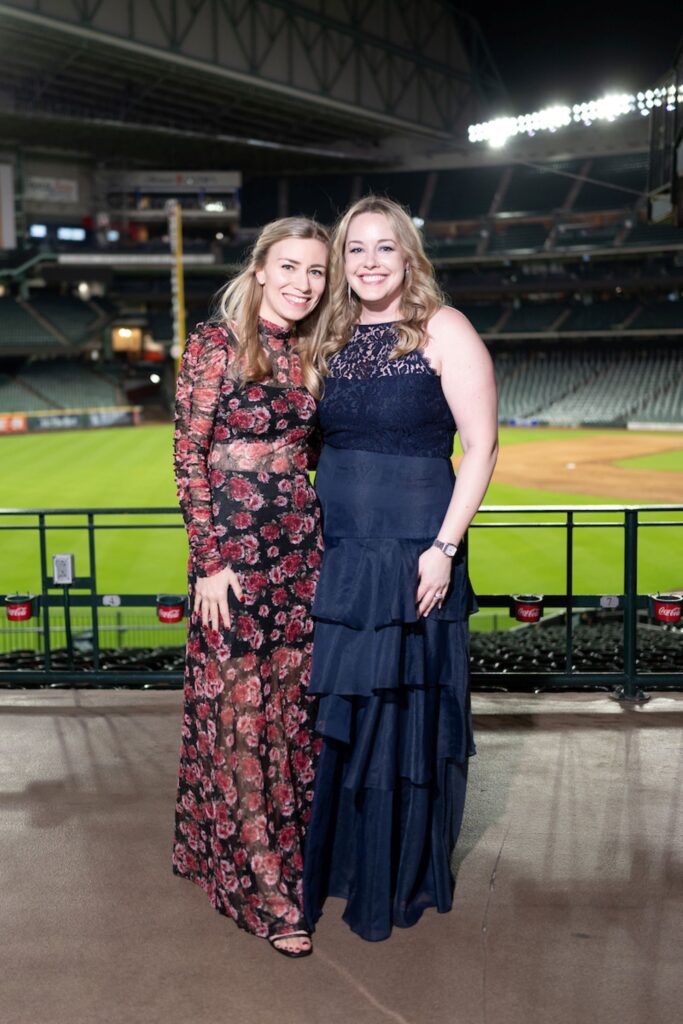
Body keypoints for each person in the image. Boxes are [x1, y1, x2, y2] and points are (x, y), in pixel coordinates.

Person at [302, 196, 498, 941]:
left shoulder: (443, 327)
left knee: (402, 715)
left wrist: (444, 549)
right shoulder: (330, 333)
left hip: (416, 546)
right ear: (342, 261)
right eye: (355, 250)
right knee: (342, 718)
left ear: (408, 255)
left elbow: (479, 447)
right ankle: (343, 866)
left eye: (385, 248)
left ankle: (396, 873)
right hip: (342, 550)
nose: (370, 262)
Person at [172, 217, 329, 958]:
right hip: (232, 553)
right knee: (238, 715)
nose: (303, 283)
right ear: (260, 268)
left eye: (316, 271)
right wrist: (207, 559)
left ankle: (286, 859)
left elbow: (314, 454)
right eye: (290, 267)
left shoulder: (311, 352)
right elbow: (189, 455)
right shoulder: (216, 343)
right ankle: (261, 889)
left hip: (299, 550)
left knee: (291, 715)